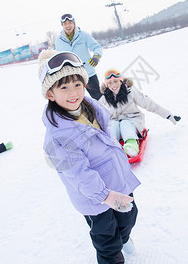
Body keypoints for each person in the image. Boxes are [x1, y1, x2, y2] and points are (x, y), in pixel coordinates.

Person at [38, 50, 140, 264]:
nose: (73, 92)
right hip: (95, 197)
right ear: (50, 94)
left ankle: (124, 238)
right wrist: (106, 196)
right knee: (107, 239)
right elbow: (80, 176)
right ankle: (113, 255)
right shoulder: (58, 136)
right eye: (63, 87)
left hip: (117, 179)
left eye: (77, 84)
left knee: (129, 217)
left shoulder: (90, 105)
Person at [99, 68, 181, 157]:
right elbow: (96, 115)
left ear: (121, 81)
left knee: (124, 123)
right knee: (112, 124)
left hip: (132, 121)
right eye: (110, 83)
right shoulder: (104, 99)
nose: (113, 85)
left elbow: (149, 104)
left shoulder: (130, 92)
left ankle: (132, 146)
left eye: (115, 81)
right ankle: (112, 148)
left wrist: (168, 115)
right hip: (115, 126)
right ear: (106, 85)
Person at [55, 13, 103, 100]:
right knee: (77, 100)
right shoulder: (59, 41)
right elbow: (58, 57)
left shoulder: (83, 35)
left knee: (98, 98)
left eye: (70, 22)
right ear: (62, 25)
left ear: (74, 23)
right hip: (72, 77)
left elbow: (97, 47)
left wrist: (96, 56)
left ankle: (106, 113)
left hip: (88, 73)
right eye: (65, 24)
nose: (67, 25)